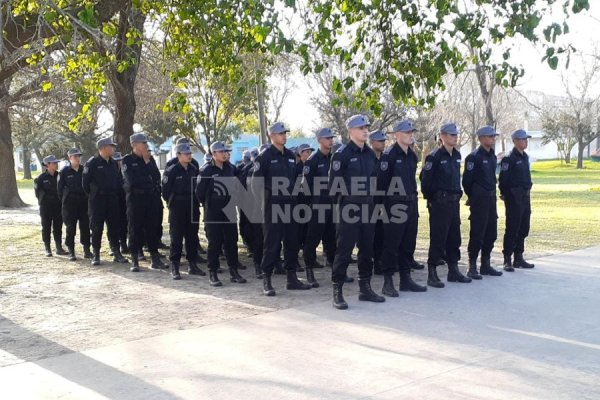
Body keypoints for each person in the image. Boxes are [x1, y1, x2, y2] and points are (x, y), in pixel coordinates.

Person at [329, 115, 385, 310]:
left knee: (367, 250)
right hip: (349, 208)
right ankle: (338, 291)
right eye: (361, 128)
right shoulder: (341, 154)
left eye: (366, 127)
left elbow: (374, 181)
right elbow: (333, 185)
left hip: (367, 208)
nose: (365, 130)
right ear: (350, 131)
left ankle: (365, 288)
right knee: (344, 250)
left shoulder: (370, 154)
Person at [252, 122, 312, 296]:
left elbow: (295, 180)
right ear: (271, 136)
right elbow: (256, 184)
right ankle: (267, 279)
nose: (284, 136)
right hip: (273, 205)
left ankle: (291, 278)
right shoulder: (264, 157)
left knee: (292, 242)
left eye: (285, 133)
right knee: (271, 244)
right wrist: (264, 202)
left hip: (290, 205)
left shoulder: (291, 156)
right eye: (280, 133)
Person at [377, 120, 427, 297]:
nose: (411, 135)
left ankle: (406, 279)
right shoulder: (389, 155)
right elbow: (381, 184)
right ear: (397, 135)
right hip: (394, 205)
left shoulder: (412, 156)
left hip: (411, 203)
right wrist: (381, 207)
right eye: (407, 132)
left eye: (412, 132)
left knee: (408, 243)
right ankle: (388, 281)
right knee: (392, 244)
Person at [420, 123, 472, 288]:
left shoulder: (457, 155)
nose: (455, 137)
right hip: (439, 204)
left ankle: (453, 270)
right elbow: (425, 182)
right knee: (438, 238)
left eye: (456, 134)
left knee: (454, 237)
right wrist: (432, 199)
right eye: (451, 135)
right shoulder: (434, 157)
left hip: (453, 202)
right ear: (442, 137)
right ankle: (432, 272)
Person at [195, 141, 246, 286]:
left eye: (226, 151)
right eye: (222, 152)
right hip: (213, 211)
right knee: (214, 243)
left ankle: (234, 271)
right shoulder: (206, 171)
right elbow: (199, 193)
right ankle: (213, 272)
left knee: (231, 241)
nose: (225, 154)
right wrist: (209, 204)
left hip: (229, 209)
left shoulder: (230, 167)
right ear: (213, 154)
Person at [462, 126, 504, 278]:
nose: (493, 139)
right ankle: (472, 266)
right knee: (477, 233)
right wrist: (474, 195)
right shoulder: (473, 157)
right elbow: (467, 181)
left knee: (491, 232)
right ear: (481, 138)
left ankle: (485, 264)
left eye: (494, 136)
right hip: (479, 200)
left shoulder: (492, 156)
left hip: (491, 199)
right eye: (490, 136)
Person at [121, 133, 167, 272]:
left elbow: (156, 176)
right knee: (135, 228)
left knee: (152, 228)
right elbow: (132, 180)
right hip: (135, 199)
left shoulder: (149, 159)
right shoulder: (127, 160)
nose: (146, 145)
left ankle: (155, 258)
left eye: (146, 143)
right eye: (143, 143)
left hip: (151, 198)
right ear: (134, 144)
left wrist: (147, 163)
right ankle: (135, 259)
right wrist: (146, 180)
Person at [162, 143, 205, 279]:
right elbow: (165, 191)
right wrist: (172, 202)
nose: (189, 156)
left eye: (190, 153)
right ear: (178, 155)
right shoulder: (172, 170)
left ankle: (192, 264)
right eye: (186, 154)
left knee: (192, 236)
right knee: (177, 236)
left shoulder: (193, 169)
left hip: (192, 205)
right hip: (177, 206)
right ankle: (175, 266)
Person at [82, 138, 128, 265]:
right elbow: (85, 184)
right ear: (102, 148)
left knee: (114, 227)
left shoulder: (113, 163)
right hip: (97, 200)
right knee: (97, 228)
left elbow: (119, 181)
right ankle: (96, 254)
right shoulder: (92, 163)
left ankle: (116, 252)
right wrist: (95, 195)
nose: (113, 149)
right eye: (110, 146)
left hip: (112, 199)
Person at [302, 128, 337, 286]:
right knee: (313, 239)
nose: (330, 140)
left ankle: (336, 272)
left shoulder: (335, 158)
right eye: (327, 138)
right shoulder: (312, 160)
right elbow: (306, 186)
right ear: (319, 140)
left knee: (332, 239)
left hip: (333, 204)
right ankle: (309, 270)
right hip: (318, 205)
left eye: (331, 138)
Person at [499, 129, 535, 271]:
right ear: (514, 141)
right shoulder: (509, 158)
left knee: (524, 227)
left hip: (525, 196)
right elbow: (503, 180)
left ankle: (518, 257)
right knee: (512, 227)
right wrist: (506, 195)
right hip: (514, 197)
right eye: (522, 139)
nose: (525, 141)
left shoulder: (525, 157)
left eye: (526, 139)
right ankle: (507, 258)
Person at [58, 148, 92, 261]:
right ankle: (71, 251)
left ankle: (87, 250)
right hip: (70, 204)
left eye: (79, 156)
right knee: (71, 228)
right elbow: (59, 189)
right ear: (70, 158)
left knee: (85, 227)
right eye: (75, 156)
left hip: (83, 202)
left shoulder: (84, 170)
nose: (77, 158)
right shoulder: (64, 172)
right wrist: (65, 200)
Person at [34, 155, 67, 257]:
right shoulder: (40, 178)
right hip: (46, 206)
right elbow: (37, 193)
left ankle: (59, 247)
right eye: (54, 163)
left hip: (58, 205)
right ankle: (47, 248)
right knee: (46, 227)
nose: (56, 164)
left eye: (56, 163)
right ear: (48, 165)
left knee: (58, 227)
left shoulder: (60, 176)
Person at [368, 129, 387, 275]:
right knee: (369, 234)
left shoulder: (386, 158)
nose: (383, 143)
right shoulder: (367, 158)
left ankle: (379, 261)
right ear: (372, 142)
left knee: (381, 232)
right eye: (380, 141)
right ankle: (370, 262)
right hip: (369, 201)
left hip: (384, 200)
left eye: (384, 140)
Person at [112, 152, 129, 256]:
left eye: (120, 160)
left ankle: (123, 244)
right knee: (113, 224)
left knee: (124, 223)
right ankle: (113, 246)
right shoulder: (111, 172)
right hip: (113, 200)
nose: (119, 162)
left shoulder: (124, 172)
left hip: (124, 201)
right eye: (116, 160)